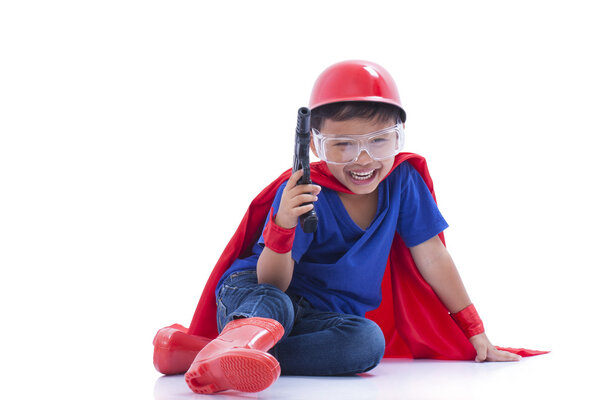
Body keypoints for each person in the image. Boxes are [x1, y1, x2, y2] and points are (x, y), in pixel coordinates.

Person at [152, 60, 546, 395]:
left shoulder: (402, 182)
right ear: (315, 147)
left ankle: (205, 352)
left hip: (318, 318)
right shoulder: (305, 192)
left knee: (366, 343)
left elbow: (434, 257)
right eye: (342, 144)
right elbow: (272, 282)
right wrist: (283, 225)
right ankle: (235, 344)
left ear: (398, 138)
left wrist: (475, 331)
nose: (363, 158)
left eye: (379, 141)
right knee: (276, 305)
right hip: (256, 294)